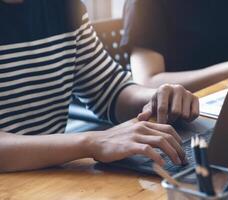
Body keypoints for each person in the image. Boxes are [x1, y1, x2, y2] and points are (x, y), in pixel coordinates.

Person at [0, 0, 198, 172]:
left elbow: (109, 88)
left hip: (51, 178)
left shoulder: (64, 6)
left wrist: (158, 99)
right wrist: (91, 142)